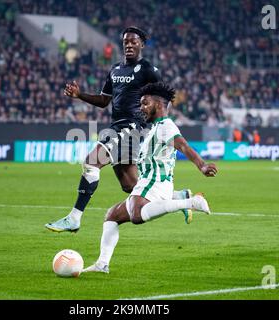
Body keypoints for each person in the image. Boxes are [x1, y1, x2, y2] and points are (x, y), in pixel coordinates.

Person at [45, 27, 193, 233]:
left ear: (141, 44)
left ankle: (74, 218)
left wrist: (156, 125)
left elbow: (163, 98)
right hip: (117, 126)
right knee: (131, 186)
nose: (129, 45)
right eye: (126, 42)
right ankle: (179, 197)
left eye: (133, 42)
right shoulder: (115, 69)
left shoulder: (148, 69)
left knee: (91, 161)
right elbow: (104, 100)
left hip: (132, 128)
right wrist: (80, 95)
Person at [83, 82, 218, 273]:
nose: (141, 108)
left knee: (137, 215)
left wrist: (202, 165)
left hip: (155, 183)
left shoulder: (165, 126)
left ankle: (191, 202)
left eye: (145, 103)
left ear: (159, 104)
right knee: (112, 216)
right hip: (148, 183)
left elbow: (183, 146)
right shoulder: (154, 128)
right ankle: (102, 264)